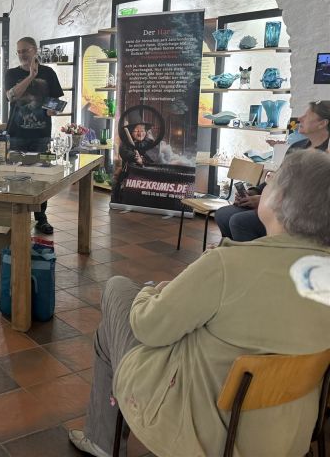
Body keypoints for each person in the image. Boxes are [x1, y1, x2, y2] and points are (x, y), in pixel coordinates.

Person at [68, 149, 330, 457]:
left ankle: (102, 441)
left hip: (204, 431)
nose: (264, 187)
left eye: (271, 182)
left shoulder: (228, 265)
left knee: (117, 289)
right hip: (286, 435)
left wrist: (150, 293)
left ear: (281, 200)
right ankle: (101, 436)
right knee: (116, 329)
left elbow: (148, 328)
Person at [215, 100, 330, 242]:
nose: (299, 118)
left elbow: (311, 196)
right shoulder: (298, 146)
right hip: (275, 201)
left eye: (306, 116)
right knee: (223, 214)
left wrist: (268, 201)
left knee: (239, 222)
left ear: (322, 123)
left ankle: (253, 260)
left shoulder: (325, 158)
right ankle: (231, 255)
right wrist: (254, 192)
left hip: (297, 213)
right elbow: (278, 178)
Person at [4, 36, 63, 234]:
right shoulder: (11, 74)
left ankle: (41, 217)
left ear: (35, 50)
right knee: (15, 176)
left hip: (41, 135)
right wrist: (30, 76)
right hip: (16, 134)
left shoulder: (49, 73)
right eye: (19, 51)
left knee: (41, 177)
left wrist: (53, 109)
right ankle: (17, 216)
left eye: (25, 51)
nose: (22, 55)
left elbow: (55, 100)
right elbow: (10, 96)